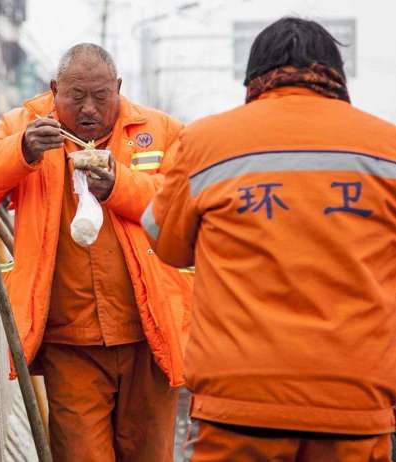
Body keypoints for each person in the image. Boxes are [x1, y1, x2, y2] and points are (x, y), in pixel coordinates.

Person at [142, 17, 396, 461]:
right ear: (336, 74)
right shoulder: (387, 148)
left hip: (239, 402)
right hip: (354, 402)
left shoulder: (206, 142)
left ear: (253, 78)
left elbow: (165, 241)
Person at [0, 43, 193, 461]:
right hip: (70, 343)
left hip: (148, 337)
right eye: (76, 97)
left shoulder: (161, 131)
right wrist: (21, 151)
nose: (89, 109)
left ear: (118, 88)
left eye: (101, 96)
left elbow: (183, 205)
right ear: (54, 89)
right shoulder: (27, 125)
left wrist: (119, 187)